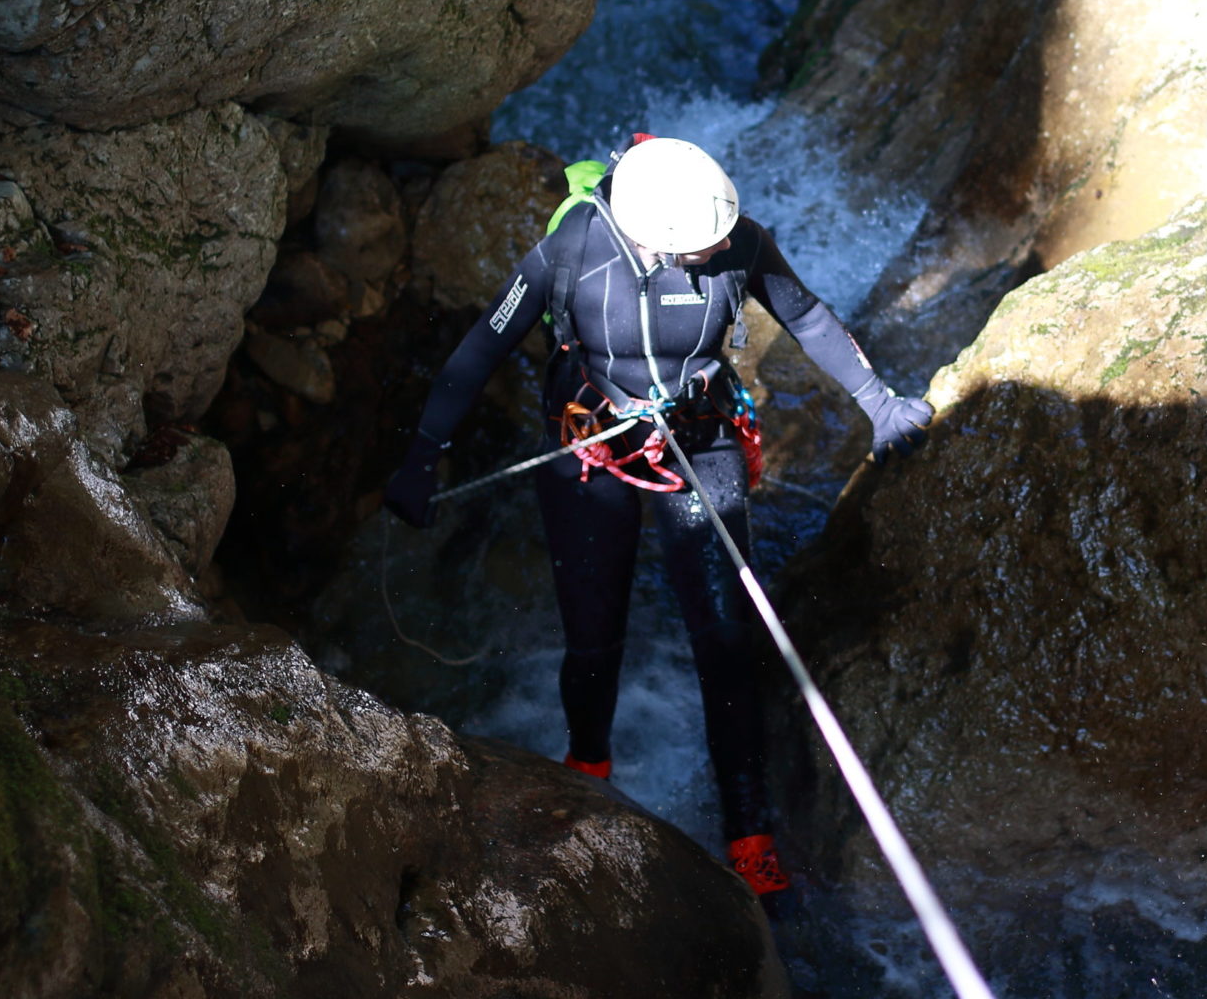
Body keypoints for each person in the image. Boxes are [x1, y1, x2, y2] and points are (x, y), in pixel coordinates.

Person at [383, 134, 933, 897]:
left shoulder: (738, 240)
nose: (717, 254)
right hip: (592, 443)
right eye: (701, 249)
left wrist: (880, 407)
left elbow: (806, 316)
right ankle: (588, 772)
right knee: (593, 636)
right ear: (653, 236)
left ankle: (748, 828)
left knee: (725, 637)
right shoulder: (576, 248)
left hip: (698, 437)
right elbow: (481, 349)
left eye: (718, 243)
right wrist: (422, 456)